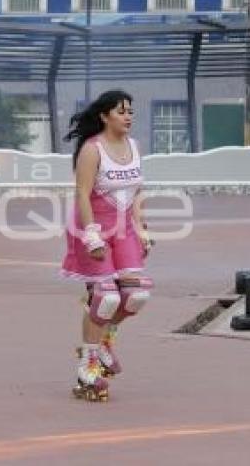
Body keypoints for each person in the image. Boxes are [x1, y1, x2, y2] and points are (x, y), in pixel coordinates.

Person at [61, 90, 153, 402]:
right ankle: (88, 364)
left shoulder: (135, 147)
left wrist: (140, 228)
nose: (128, 116)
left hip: (124, 229)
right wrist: (91, 236)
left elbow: (137, 192)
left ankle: (103, 342)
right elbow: (82, 195)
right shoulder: (92, 149)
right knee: (106, 297)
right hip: (93, 228)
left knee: (136, 295)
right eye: (120, 111)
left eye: (130, 111)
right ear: (104, 116)